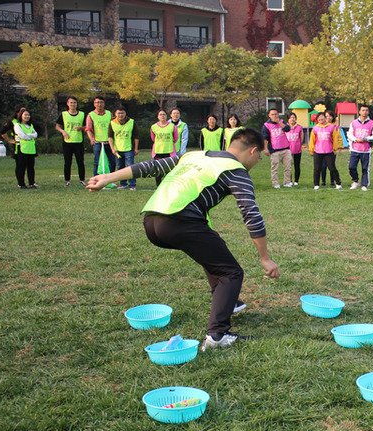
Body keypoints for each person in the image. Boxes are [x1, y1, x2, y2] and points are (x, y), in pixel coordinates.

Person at [86, 129, 280, 349]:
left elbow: (151, 167)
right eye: (259, 156)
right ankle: (217, 335)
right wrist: (265, 258)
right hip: (180, 223)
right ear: (253, 151)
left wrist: (107, 177)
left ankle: (229, 301)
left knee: (213, 248)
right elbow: (251, 215)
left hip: (152, 221)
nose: (257, 161)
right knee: (231, 272)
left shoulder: (194, 155)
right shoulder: (236, 171)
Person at [55, 96, 86, 186]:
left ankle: (82, 180)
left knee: (80, 162)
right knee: (67, 162)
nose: (73, 104)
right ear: (67, 104)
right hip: (67, 142)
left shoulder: (82, 114)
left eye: (74, 102)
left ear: (77, 104)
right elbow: (57, 126)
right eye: (71, 102)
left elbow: (87, 126)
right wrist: (63, 131)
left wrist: (81, 128)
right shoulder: (64, 114)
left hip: (78, 141)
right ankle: (67, 180)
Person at [347, 104, 373, 191]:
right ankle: (355, 181)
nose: (365, 112)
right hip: (355, 149)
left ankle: (364, 184)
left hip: (366, 150)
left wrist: (366, 138)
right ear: (359, 112)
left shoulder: (372, 123)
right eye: (363, 110)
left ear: (368, 112)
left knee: (365, 168)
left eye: (366, 110)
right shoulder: (354, 123)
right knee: (351, 167)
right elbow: (349, 134)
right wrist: (355, 139)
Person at [309, 111, 342, 190]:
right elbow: (312, 140)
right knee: (317, 169)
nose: (321, 119)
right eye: (319, 118)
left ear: (325, 118)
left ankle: (338, 183)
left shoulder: (331, 127)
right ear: (317, 119)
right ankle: (316, 184)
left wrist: (336, 148)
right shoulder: (315, 128)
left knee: (332, 168)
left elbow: (335, 138)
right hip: (318, 152)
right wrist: (311, 150)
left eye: (322, 118)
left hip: (329, 152)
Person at [109, 107, 140, 190]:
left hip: (129, 149)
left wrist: (136, 148)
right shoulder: (112, 123)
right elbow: (110, 137)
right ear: (115, 114)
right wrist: (112, 149)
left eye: (122, 113)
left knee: (130, 167)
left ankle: (132, 185)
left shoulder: (132, 122)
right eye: (118, 113)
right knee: (120, 167)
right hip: (117, 150)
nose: (120, 115)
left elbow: (136, 136)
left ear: (125, 113)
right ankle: (123, 184)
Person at [261, 108, 293, 188]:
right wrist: (265, 148)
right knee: (275, 167)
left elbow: (287, 129)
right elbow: (265, 138)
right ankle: (275, 183)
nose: (274, 116)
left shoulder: (282, 121)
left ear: (278, 114)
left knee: (288, 167)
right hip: (274, 150)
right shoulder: (266, 125)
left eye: (276, 114)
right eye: (272, 114)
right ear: (269, 115)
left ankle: (287, 182)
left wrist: (279, 122)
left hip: (286, 148)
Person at [85, 96, 115, 177]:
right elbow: (88, 129)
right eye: (97, 102)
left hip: (109, 142)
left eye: (101, 102)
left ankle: (110, 179)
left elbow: (114, 126)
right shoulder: (91, 115)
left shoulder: (109, 113)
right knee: (97, 162)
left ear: (104, 104)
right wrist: (91, 139)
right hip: (98, 142)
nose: (99, 104)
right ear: (94, 104)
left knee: (113, 161)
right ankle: (96, 179)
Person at [150, 109, 179, 187]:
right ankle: (158, 185)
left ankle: (168, 186)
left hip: (169, 152)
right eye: (160, 114)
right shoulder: (153, 127)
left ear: (167, 116)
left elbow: (175, 138)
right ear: (157, 116)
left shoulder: (172, 126)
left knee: (169, 170)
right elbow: (153, 139)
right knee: (158, 170)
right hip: (158, 152)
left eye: (164, 114)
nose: (162, 116)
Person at [13, 108, 38, 189]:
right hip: (22, 149)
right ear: (21, 115)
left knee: (31, 167)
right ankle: (21, 184)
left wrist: (28, 135)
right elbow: (22, 135)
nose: (27, 116)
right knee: (21, 167)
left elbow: (35, 134)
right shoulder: (17, 125)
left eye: (28, 115)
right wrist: (30, 135)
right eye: (25, 115)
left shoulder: (30, 125)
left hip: (31, 149)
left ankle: (31, 183)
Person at [285, 112, 304, 186]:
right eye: (291, 118)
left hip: (297, 150)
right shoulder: (285, 127)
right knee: (288, 166)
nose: (292, 119)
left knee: (297, 165)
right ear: (288, 119)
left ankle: (296, 181)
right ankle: (289, 181)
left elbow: (301, 138)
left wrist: (299, 145)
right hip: (287, 150)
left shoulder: (299, 127)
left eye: (294, 117)